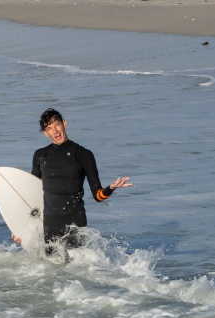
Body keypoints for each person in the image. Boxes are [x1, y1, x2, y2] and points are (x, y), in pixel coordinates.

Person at [13, 108, 133, 257]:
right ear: (45, 133)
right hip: (50, 225)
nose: (55, 131)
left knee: (74, 271)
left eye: (57, 124)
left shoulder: (83, 155)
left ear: (64, 123)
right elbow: (30, 196)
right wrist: (19, 227)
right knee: (52, 271)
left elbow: (98, 196)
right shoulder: (40, 156)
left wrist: (111, 188)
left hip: (75, 224)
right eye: (49, 128)